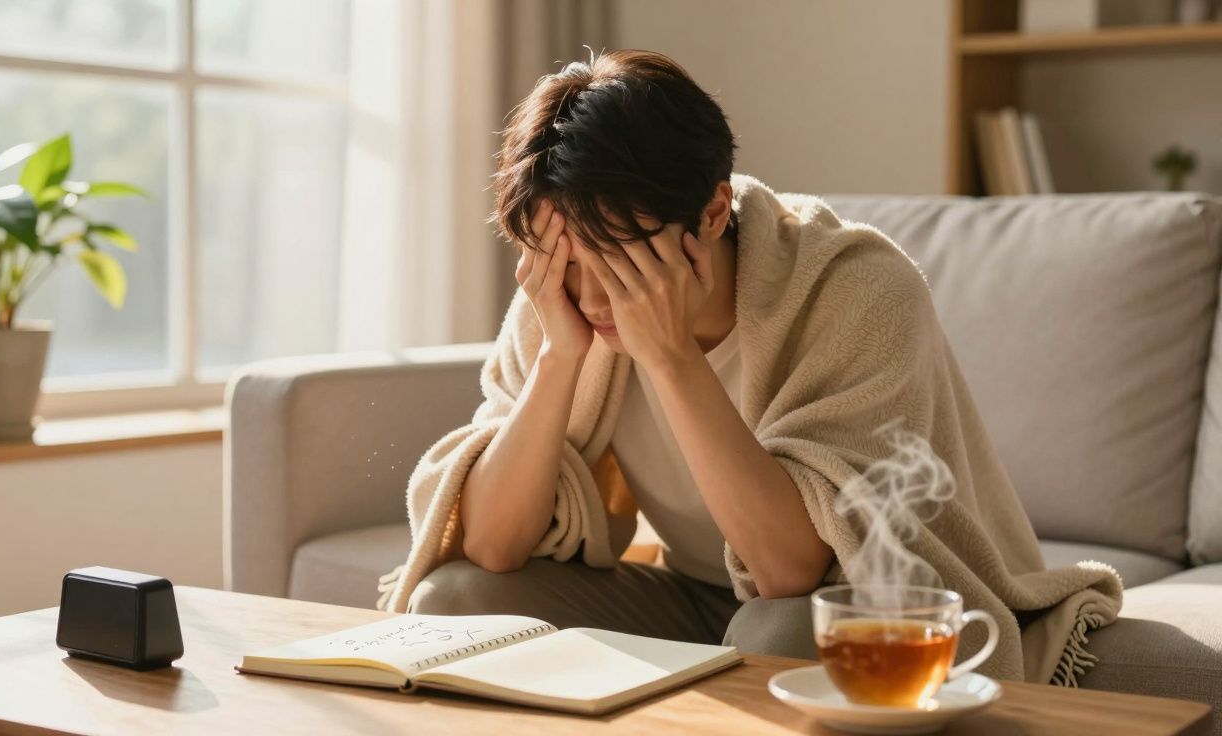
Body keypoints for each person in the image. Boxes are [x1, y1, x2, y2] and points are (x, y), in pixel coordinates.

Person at [376, 49, 1120, 680]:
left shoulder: (857, 287)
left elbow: (791, 572)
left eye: (619, 262)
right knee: (455, 601)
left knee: (779, 634)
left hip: (855, 599)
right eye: (565, 262)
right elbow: (493, 545)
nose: (591, 295)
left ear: (709, 212)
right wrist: (559, 362)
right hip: (696, 598)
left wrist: (670, 359)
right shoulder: (566, 296)